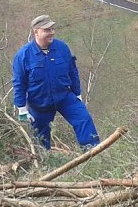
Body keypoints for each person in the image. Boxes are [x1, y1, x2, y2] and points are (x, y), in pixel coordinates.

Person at [12, 15, 100, 150]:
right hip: (39, 103)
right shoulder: (23, 55)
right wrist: (21, 108)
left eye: (52, 29)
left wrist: (77, 93)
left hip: (64, 97)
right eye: (47, 30)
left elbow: (72, 71)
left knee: (84, 119)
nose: (51, 32)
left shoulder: (62, 48)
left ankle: (93, 153)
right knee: (40, 140)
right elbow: (19, 83)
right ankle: (44, 165)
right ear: (36, 32)